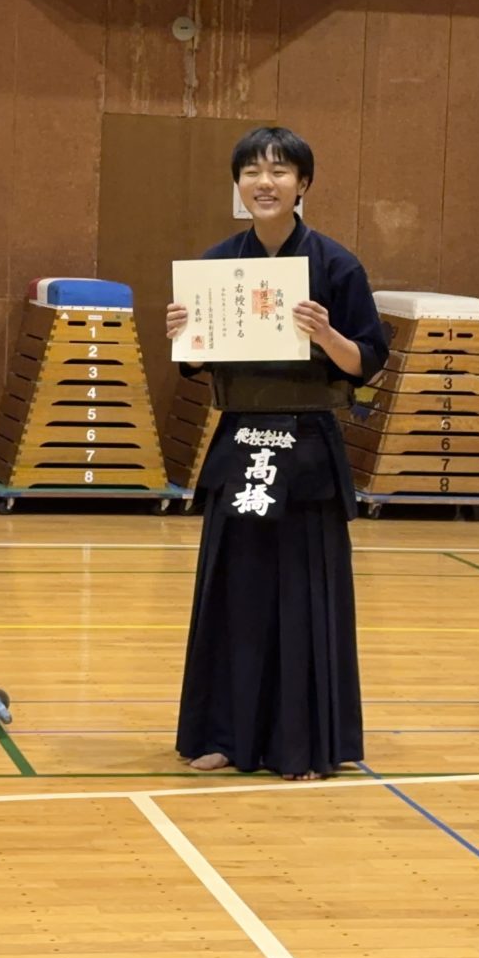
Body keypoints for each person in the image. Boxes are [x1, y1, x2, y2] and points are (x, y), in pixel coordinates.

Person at [166, 126, 389, 780]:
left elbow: (368, 361)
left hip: (308, 450)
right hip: (241, 441)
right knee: (233, 593)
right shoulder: (216, 265)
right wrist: (184, 335)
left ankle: (302, 744)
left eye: (280, 170)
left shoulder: (337, 266)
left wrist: (327, 334)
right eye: (252, 172)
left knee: (302, 595)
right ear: (238, 184)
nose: (265, 182)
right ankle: (223, 735)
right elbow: (194, 365)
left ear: (303, 184)